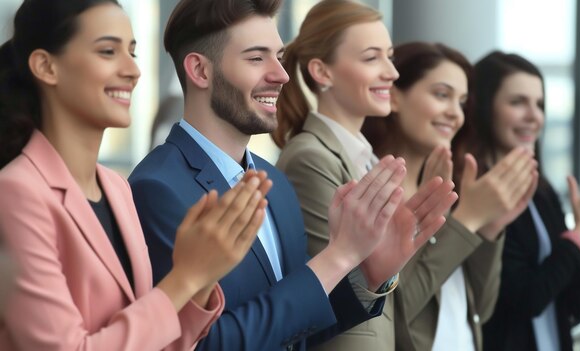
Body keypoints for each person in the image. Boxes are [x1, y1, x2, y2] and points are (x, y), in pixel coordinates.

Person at [128, 0, 457, 350]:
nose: (281, 75)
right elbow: (204, 342)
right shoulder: (157, 188)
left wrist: (369, 274)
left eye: (279, 57)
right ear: (200, 70)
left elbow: (296, 331)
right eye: (257, 58)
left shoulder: (276, 183)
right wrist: (339, 256)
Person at [0, 1, 271, 349]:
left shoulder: (116, 188)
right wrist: (185, 278)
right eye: (108, 51)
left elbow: (151, 340)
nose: (133, 70)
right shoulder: (16, 193)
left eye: (132, 52)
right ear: (46, 66)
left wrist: (203, 277)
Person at [272, 4, 461, 350]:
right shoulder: (310, 159)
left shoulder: (366, 160)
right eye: (372, 58)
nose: (391, 72)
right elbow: (327, 295)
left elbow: (390, 290)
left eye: (389, 57)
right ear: (322, 72)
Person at [358, 42, 537, 350]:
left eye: (462, 102)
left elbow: (480, 309)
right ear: (395, 96)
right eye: (442, 95)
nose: (455, 113)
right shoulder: (370, 191)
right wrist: (467, 221)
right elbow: (390, 315)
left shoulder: (445, 187)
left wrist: (490, 229)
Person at [460, 51, 580, 351]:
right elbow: (525, 299)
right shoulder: (476, 195)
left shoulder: (541, 192)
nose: (534, 116)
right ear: (484, 107)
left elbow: (576, 306)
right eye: (517, 102)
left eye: (539, 104)